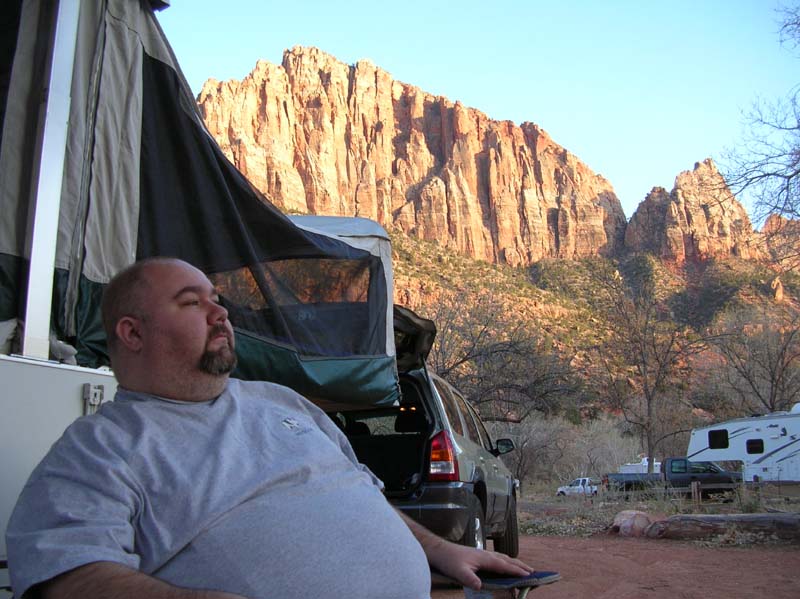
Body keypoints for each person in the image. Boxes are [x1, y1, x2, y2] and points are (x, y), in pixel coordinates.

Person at [6, 257, 532, 599]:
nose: (220, 313)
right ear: (132, 332)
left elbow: (369, 499)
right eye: (192, 302)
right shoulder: (100, 449)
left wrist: (442, 550)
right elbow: (67, 575)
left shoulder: (282, 402)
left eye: (217, 299)